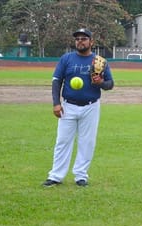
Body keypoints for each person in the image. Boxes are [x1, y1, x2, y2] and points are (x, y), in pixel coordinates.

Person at [43, 28, 114, 187]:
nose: (80, 41)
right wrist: (56, 103)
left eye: (84, 38)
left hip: (91, 107)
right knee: (62, 141)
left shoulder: (99, 61)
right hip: (68, 106)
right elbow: (57, 81)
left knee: (87, 142)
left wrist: (100, 83)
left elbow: (110, 84)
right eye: (77, 39)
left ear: (91, 42)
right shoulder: (66, 59)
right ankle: (56, 176)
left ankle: (81, 176)